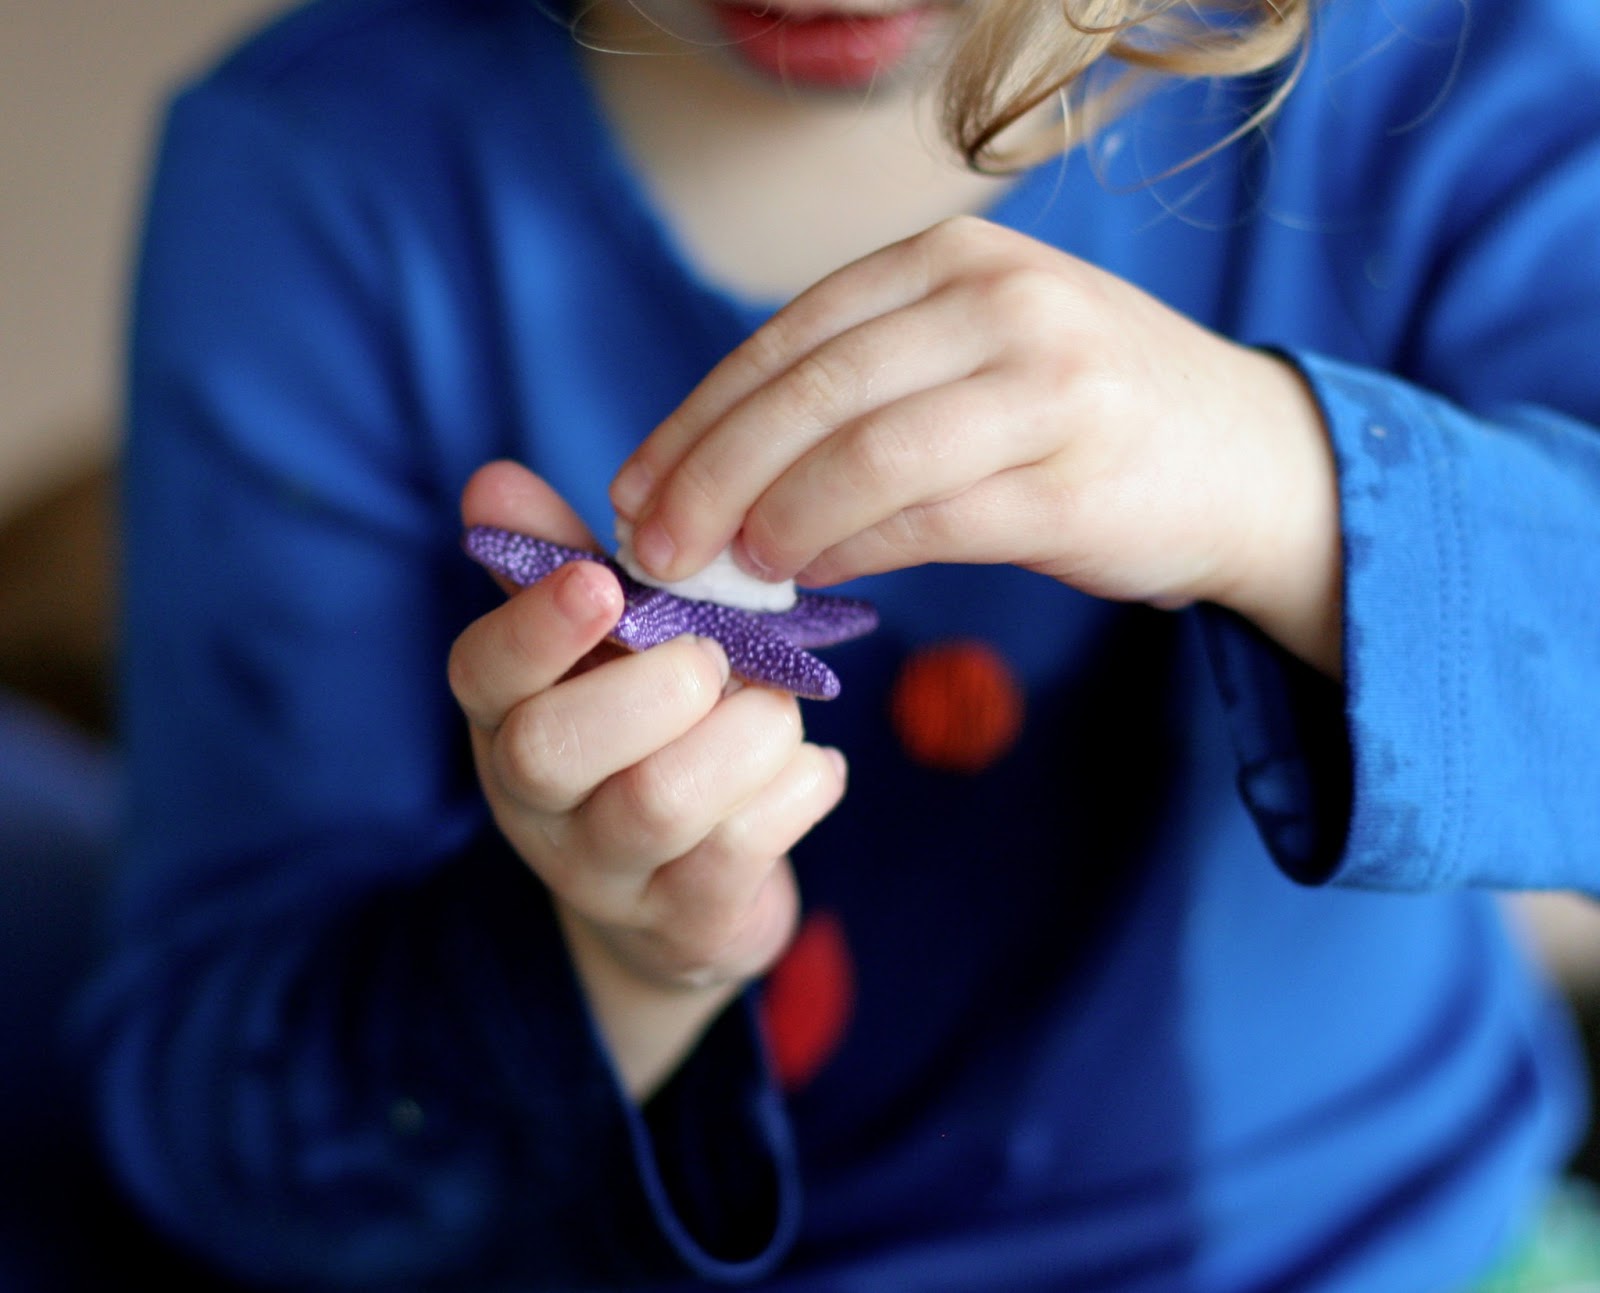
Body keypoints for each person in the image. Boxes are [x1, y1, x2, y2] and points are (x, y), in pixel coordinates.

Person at [86, 0, 1600, 1286]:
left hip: (1405, 1243)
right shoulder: (315, 178)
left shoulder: (1446, 65)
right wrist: (617, 957)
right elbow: (234, 1128)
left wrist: (1282, 484)